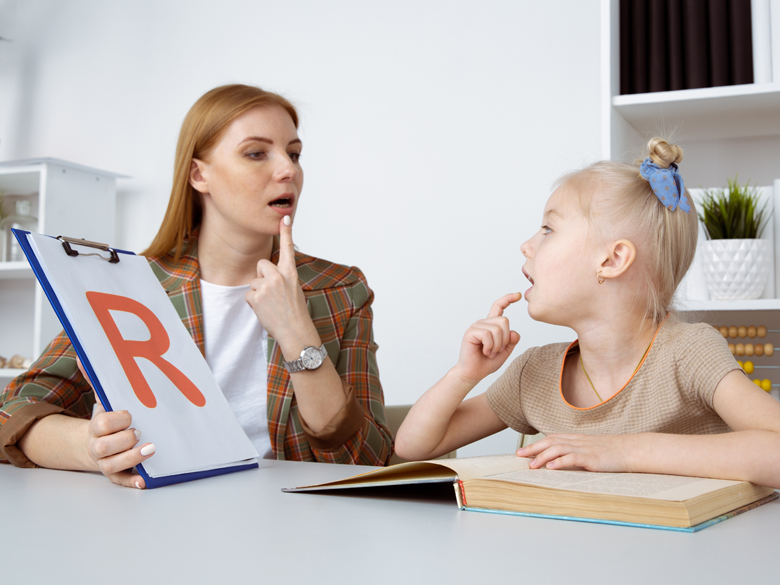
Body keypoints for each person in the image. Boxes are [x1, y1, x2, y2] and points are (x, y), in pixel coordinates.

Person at [0, 84, 393, 487]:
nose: (288, 169)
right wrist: (91, 446)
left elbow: (369, 458)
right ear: (198, 174)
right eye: (257, 153)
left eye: (293, 153)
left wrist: (298, 335)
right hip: (160, 518)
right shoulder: (129, 285)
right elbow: (13, 412)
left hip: (295, 525)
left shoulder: (340, 288)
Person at [396, 137, 780, 488]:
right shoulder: (534, 373)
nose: (526, 245)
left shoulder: (688, 352)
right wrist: (464, 375)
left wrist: (623, 452)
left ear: (612, 259)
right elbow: (414, 446)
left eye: (548, 229)